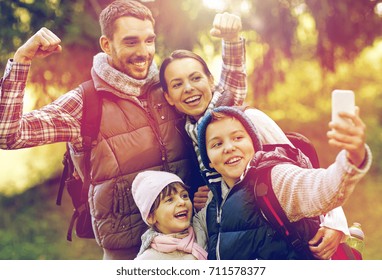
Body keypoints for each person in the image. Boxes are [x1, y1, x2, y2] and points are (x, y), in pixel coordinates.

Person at [0, 1, 244, 259]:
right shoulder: (85, 103)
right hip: (127, 252)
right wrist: (22, 60)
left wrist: (232, 41)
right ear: (106, 45)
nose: (144, 52)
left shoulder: (169, 90)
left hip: (192, 239)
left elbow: (227, 105)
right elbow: (8, 134)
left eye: (148, 41)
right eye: (131, 42)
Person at [159, 45, 351, 259]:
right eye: (177, 84)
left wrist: (336, 223)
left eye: (195, 78)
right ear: (168, 97)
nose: (188, 88)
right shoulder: (188, 136)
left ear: (210, 81)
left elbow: (302, 168)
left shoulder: (249, 119)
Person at [194, 106, 372, 259]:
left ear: (255, 144)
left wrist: (352, 159)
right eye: (217, 144)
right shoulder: (212, 202)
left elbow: (321, 188)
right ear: (209, 161)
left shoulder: (272, 179)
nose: (229, 148)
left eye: (238, 138)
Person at [131, 170, 207, 260]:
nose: (182, 202)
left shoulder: (201, 228)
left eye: (184, 196)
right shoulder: (147, 260)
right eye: (170, 200)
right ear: (151, 217)